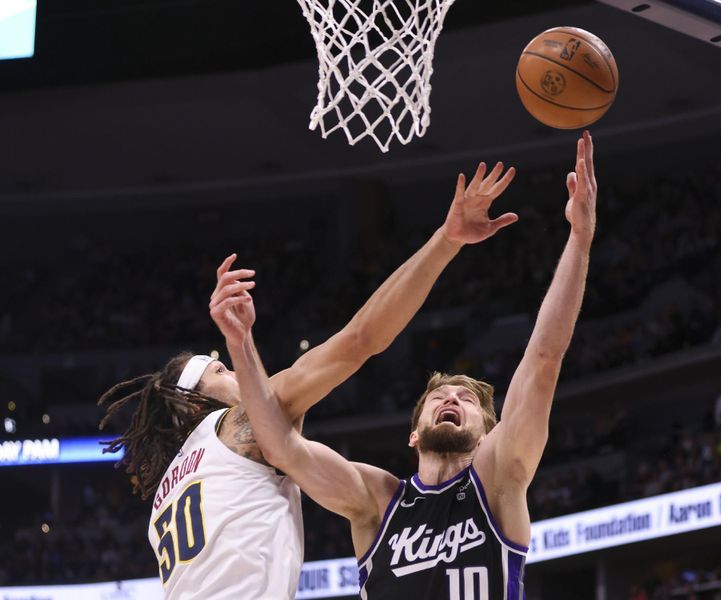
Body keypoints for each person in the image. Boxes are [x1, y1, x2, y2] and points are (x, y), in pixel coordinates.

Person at [97, 160, 518, 599]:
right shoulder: (238, 427)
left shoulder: (168, 493)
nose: (240, 378)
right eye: (220, 372)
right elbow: (362, 338)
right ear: (192, 406)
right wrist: (446, 241)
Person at [216, 131, 597, 598]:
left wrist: (580, 239)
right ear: (413, 433)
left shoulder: (498, 478)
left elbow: (543, 358)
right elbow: (280, 447)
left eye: (467, 400)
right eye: (439, 396)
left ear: (487, 434)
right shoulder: (378, 501)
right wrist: (240, 342)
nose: (452, 398)